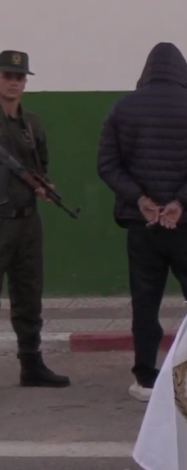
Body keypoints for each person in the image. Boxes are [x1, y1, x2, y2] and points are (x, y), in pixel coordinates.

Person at [97, 42, 187, 401]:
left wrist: (141, 201)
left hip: (144, 225)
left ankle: (145, 377)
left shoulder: (123, 107)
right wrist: (181, 203)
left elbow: (108, 164)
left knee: (145, 300)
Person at [0, 50, 70, 388]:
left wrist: (45, 186)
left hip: (27, 221)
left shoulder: (31, 124)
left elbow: (41, 166)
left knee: (29, 294)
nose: (13, 83)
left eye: (19, 78)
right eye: (7, 76)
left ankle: (31, 364)